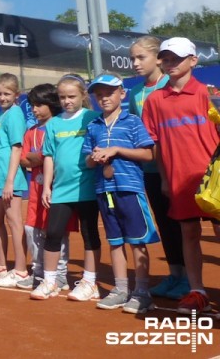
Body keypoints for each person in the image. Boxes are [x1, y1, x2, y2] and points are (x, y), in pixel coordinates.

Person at [141, 37, 220, 315]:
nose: (170, 63)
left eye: (177, 58)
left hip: (212, 181)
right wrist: (164, 178)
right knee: (189, 233)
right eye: (167, 58)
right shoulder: (154, 101)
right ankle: (197, 291)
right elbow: (156, 145)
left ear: (193, 61)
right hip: (179, 180)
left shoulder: (210, 94)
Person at [83, 74, 159, 313]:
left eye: (110, 93)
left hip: (129, 188)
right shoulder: (93, 125)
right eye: (99, 94)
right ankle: (120, 289)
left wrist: (116, 149)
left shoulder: (133, 121)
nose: (104, 98)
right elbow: (86, 161)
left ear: (122, 94)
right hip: (104, 190)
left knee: (137, 241)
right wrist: (95, 157)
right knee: (115, 241)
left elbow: (148, 154)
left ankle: (142, 292)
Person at [30, 74, 102, 301]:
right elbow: (48, 156)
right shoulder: (55, 123)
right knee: (53, 233)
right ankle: (50, 281)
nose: (67, 101)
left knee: (90, 234)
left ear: (83, 95)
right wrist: (48, 186)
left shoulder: (93, 118)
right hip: (61, 190)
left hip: (87, 188)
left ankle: (90, 282)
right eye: (62, 97)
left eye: (71, 96)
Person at [128, 35, 187, 300]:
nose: (136, 63)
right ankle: (175, 275)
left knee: (182, 224)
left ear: (158, 59)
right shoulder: (136, 94)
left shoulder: (169, 86)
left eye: (141, 57)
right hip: (150, 171)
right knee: (164, 222)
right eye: (132, 59)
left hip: (176, 169)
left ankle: (188, 278)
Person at [16, 84, 73, 291]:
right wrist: (39, 158)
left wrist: (39, 157)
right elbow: (24, 159)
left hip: (58, 189)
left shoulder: (59, 125)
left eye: (39, 104)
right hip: (35, 191)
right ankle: (38, 272)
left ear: (52, 104)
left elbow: (53, 156)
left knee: (57, 231)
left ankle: (60, 275)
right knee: (32, 229)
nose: (34, 109)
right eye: (32, 105)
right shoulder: (30, 131)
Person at [0, 73, 30, 287]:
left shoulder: (14, 114)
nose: (2, 97)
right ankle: (1, 265)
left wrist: (9, 181)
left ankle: (21, 269)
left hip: (10, 178)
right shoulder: (1, 116)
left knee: (14, 222)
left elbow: (16, 148)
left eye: (7, 93)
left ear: (17, 95)